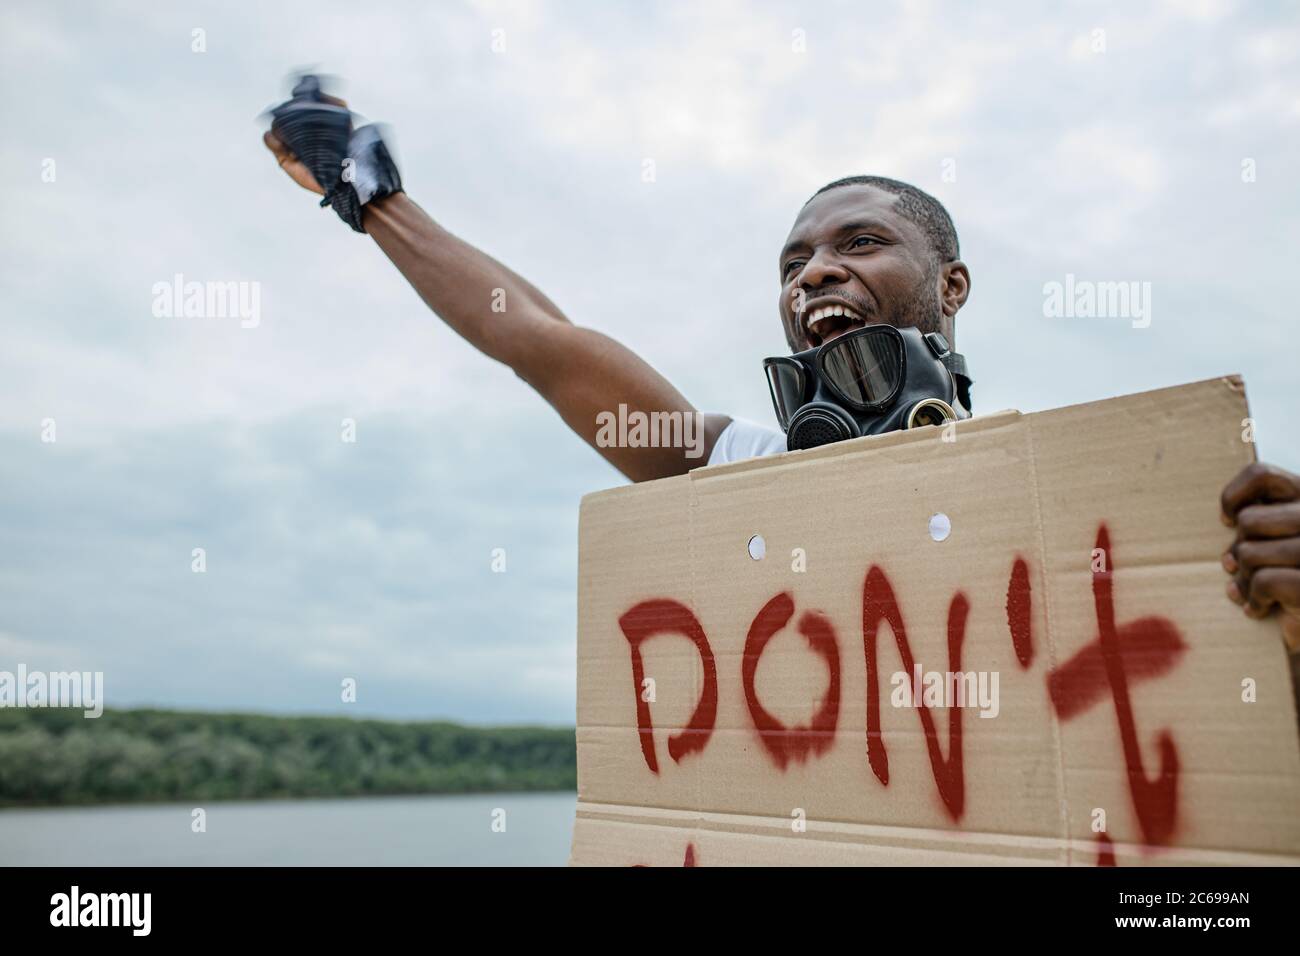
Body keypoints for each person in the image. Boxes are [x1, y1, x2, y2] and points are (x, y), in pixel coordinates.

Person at [262, 99, 1300, 660]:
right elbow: (538, 337)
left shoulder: (1082, 493)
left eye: (860, 242)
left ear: (951, 284)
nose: (815, 273)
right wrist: (375, 200)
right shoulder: (730, 465)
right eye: (792, 262)